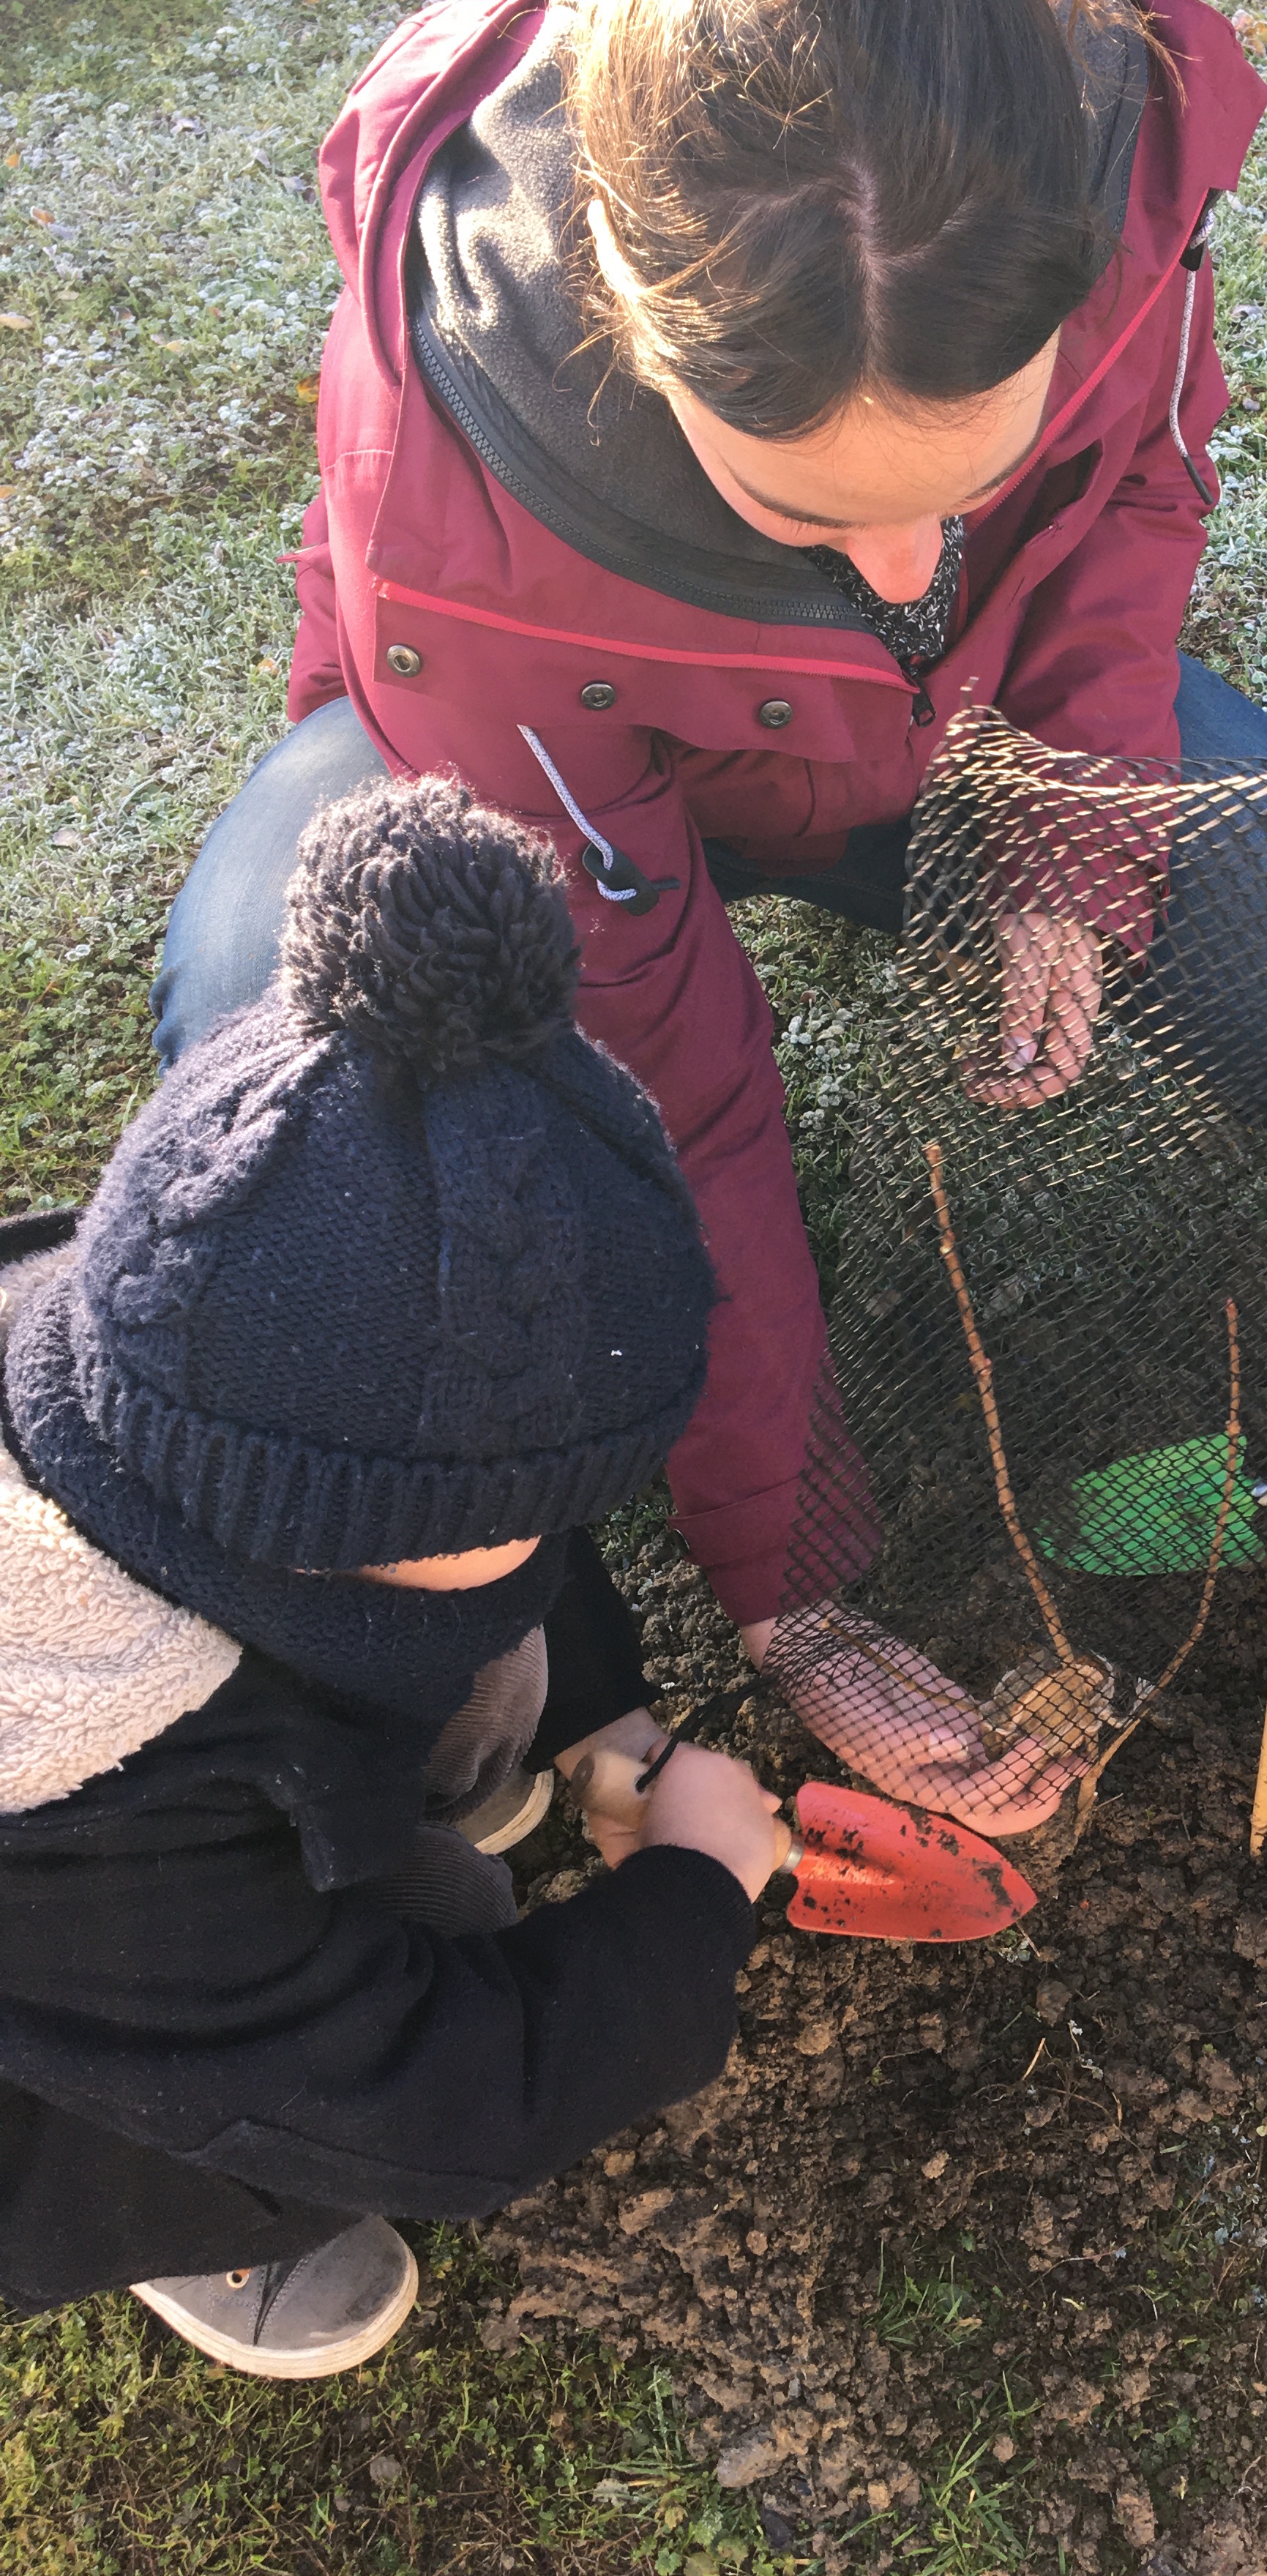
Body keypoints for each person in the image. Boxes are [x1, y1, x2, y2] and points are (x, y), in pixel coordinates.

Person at [149, 0, 1267, 1834]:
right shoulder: (466, 531)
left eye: (965, 469)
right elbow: (669, 1071)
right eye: (808, 505)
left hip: (938, 754)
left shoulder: (1088, 175)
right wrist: (802, 1582)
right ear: (634, 333)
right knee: (285, 1039)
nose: (905, 556)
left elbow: (1134, 502)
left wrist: (1073, 841)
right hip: (543, 753)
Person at [0, 783, 789, 2377]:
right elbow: (442, 2094)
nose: (564, 1532)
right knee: (251, 2117)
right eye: (530, 1511)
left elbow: (478, 1529)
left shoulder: (173, 1348)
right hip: (52, 2057)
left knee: (451, 1797)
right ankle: (209, 2224)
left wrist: (607, 1722)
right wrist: (694, 1900)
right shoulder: (98, 1817)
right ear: (310, 1526)